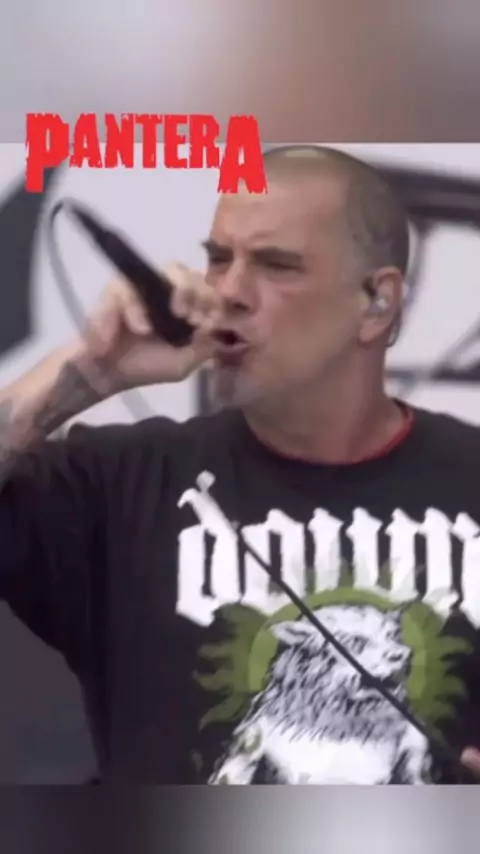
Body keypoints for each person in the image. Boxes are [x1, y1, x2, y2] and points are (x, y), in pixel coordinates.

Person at [1, 145, 480, 785]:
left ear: (377, 302)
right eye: (219, 259)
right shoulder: (120, 482)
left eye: (276, 265)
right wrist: (87, 371)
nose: (227, 292)